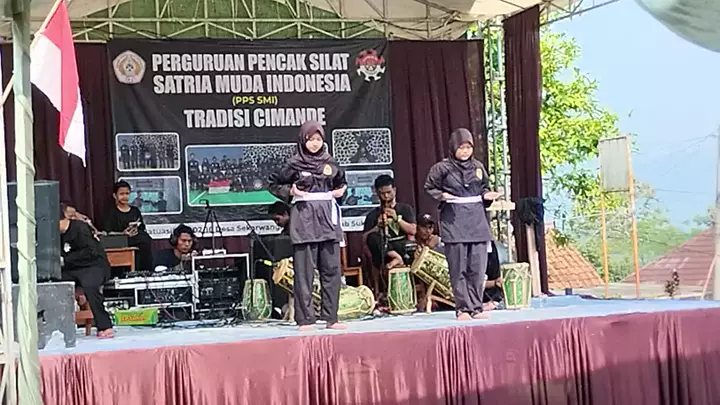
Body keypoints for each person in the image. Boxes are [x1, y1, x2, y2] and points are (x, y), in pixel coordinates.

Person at [268, 120, 347, 332]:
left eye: (318, 139)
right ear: (303, 140)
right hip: (304, 219)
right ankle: (305, 319)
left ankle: (331, 317)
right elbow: (273, 183)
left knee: (332, 270)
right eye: (310, 139)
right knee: (304, 273)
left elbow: (342, 183)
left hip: (327, 220)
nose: (314, 143)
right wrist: (290, 192)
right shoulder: (293, 163)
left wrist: (341, 191)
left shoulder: (330, 162)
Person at [424, 128, 501, 321]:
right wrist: (442, 195)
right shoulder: (442, 168)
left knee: (477, 268)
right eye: (461, 147)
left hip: (477, 222)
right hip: (455, 221)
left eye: (468, 147)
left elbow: (484, 188)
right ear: (453, 148)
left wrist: (488, 195)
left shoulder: (477, 167)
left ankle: (476, 307)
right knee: (459, 268)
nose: (465, 151)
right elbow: (429, 187)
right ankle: (463, 309)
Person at [60, 215, 114, 338]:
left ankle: (104, 325)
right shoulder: (55, 235)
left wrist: (65, 259)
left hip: (94, 266)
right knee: (53, 282)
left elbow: (91, 251)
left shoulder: (80, 228)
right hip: (72, 268)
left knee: (90, 285)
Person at [363, 175, 417, 270]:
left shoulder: (405, 208)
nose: (386, 196)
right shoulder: (372, 215)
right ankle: (396, 257)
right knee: (372, 237)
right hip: (384, 252)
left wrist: (397, 219)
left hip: (402, 247)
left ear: (394, 190)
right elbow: (365, 239)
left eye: (388, 192)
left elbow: (413, 230)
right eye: (382, 193)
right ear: (377, 193)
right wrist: (377, 227)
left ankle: (398, 258)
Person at [103, 181, 154, 271]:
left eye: (127, 194)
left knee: (145, 238)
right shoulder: (111, 213)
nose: (125, 197)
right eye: (121, 194)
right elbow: (108, 232)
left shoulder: (135, 210)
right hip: (120, 240)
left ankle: (146, 271)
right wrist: (123, 233)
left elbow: (142, 227)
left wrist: (135, 230)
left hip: (136, 239)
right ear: (115, 195)